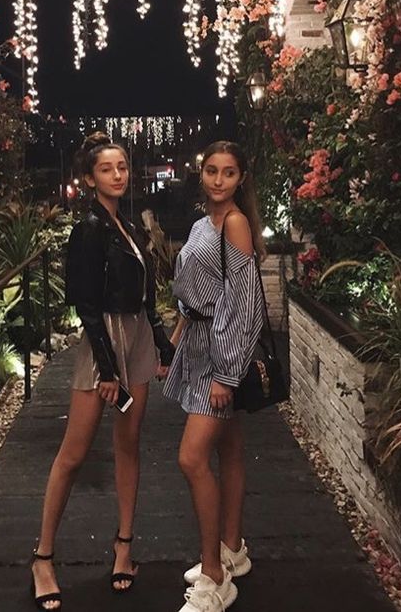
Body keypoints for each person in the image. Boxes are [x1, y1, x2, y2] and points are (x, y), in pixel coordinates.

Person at [30, 132, 175, 610]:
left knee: (128, 444)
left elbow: (146, 293)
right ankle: (43, 557)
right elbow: (87, 307)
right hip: (104, 342)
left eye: (123, 166)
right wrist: (108, 369)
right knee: (73, 452)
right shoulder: (89, 228)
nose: (119, 174)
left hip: (134, 335)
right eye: (108, 168)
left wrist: (158, 341)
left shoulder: (126, 223)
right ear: (90, 178)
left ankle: (124, 548)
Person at [161, 140, 266, 612]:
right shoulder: (203, 223)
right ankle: (232, 548)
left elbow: (244, 305)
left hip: (223, 354)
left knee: (192, 458)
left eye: (228, 172)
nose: (218, 180)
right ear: (201, 174)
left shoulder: (237, 223)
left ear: (241, 178)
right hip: (200, 344)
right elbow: (193, 289)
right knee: (231, 448)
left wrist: (226, 373)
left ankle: (214, 577)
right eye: (211, 171)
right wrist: (179, 334)